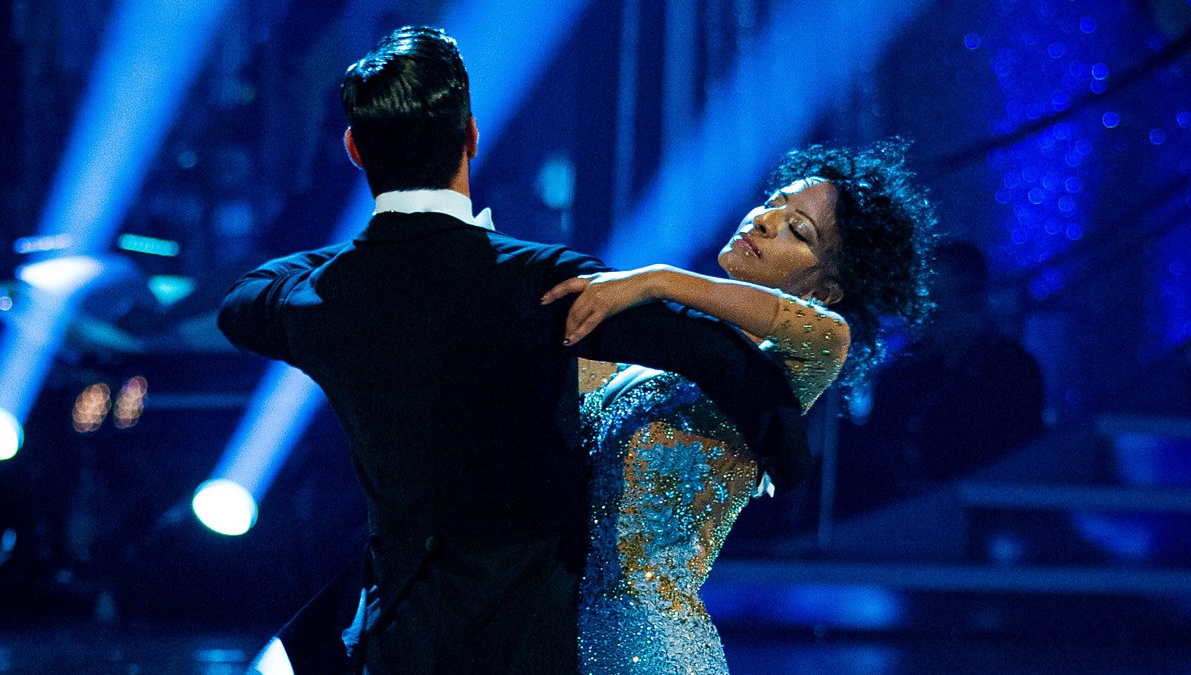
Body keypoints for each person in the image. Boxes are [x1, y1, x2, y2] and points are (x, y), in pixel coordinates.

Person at [218, 27, 810, 674]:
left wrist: (375, 255)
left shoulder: (321, 297)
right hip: (526, 640)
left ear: (354, 149)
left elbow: (241, 301)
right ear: (472, 136)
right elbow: (711, 350)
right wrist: (782, 449)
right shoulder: (544, 281)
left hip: (400, 643)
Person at [541, 139, 937, 673]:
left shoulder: (801, 358)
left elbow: (827, 337)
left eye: (799, 231)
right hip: (563, 638)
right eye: (774, 202)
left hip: (654, 652)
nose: (766, 221)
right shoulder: (645, 357)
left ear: (826, 290)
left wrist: (656, 279)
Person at [834, 240, 1044, 516]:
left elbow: (1012, 459)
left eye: (934, 297)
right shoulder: (906, 371)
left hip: (975, 515)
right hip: (899, 516)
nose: (922, 311)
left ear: (972, 298)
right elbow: (876, 446)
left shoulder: (1011, 370)